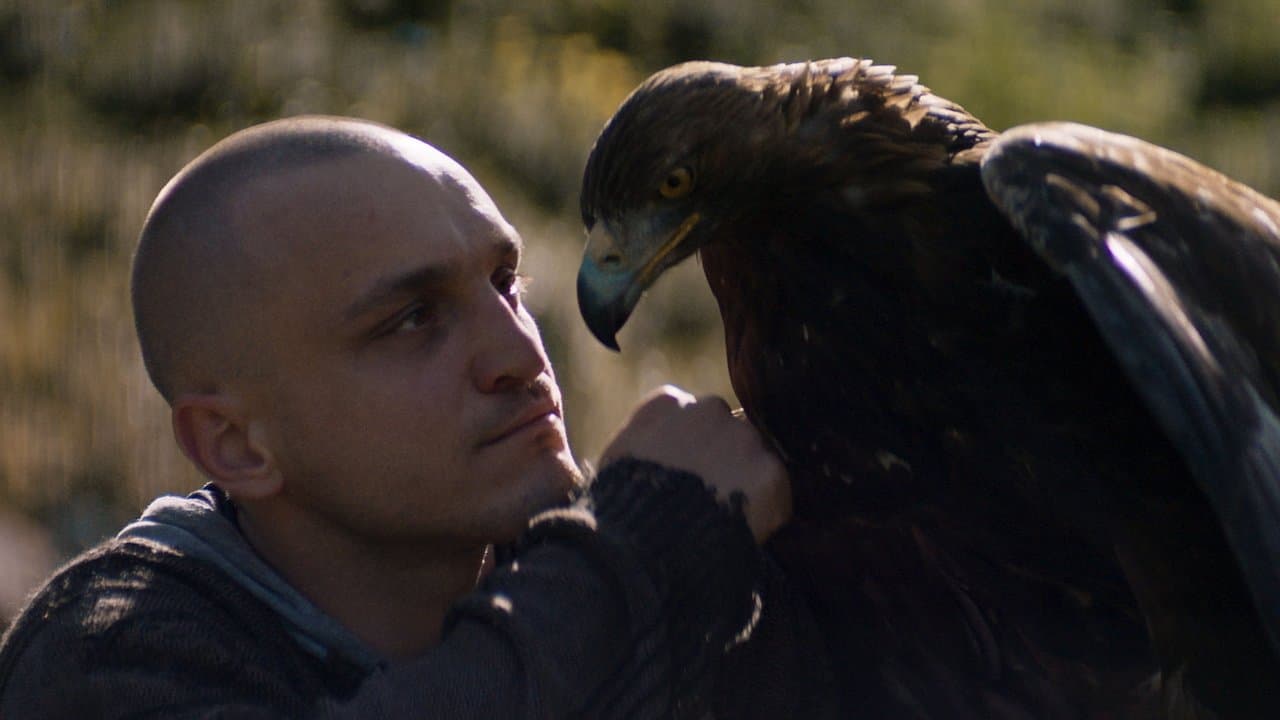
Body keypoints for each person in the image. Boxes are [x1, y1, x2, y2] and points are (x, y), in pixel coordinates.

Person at [0, 117, 831, 718]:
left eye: (506, 284)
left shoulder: (641, 587)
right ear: (237, 444)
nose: (519, 353)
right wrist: (643, 549)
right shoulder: (103, 657)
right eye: (412, 319)